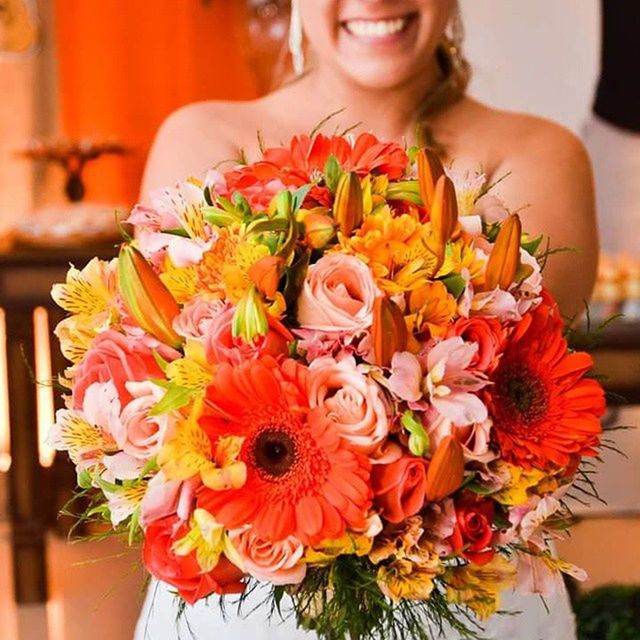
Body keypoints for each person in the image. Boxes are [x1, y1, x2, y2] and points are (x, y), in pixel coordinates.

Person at [135, 1, 597, 638]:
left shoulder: (542, 152)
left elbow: (522, 405)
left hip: (468, 596)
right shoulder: (201, 138)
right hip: (250, 595)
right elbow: (170, 385)